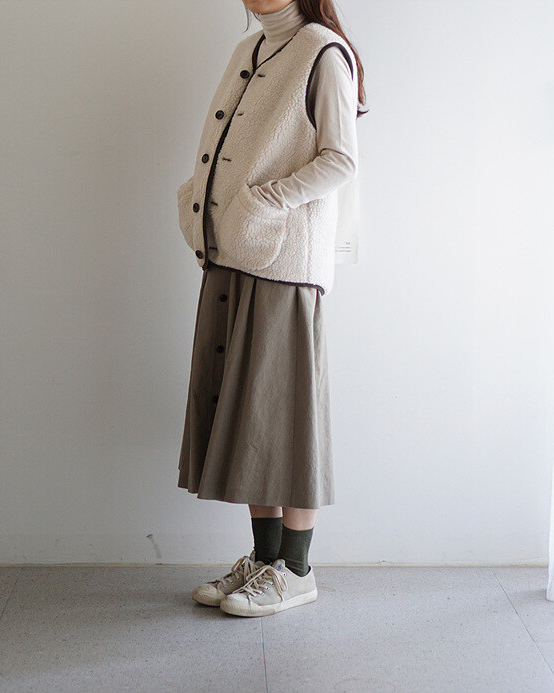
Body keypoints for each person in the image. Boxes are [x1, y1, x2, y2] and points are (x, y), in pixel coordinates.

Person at [176, 0, 368, 617]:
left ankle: (298, 570)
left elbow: (341, 159)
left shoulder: (322, 51)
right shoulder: (250, 47)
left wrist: (265, 201)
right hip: (235, 252)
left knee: (287, 417)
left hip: (283, 261)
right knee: (248, 417)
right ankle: (264, 561)